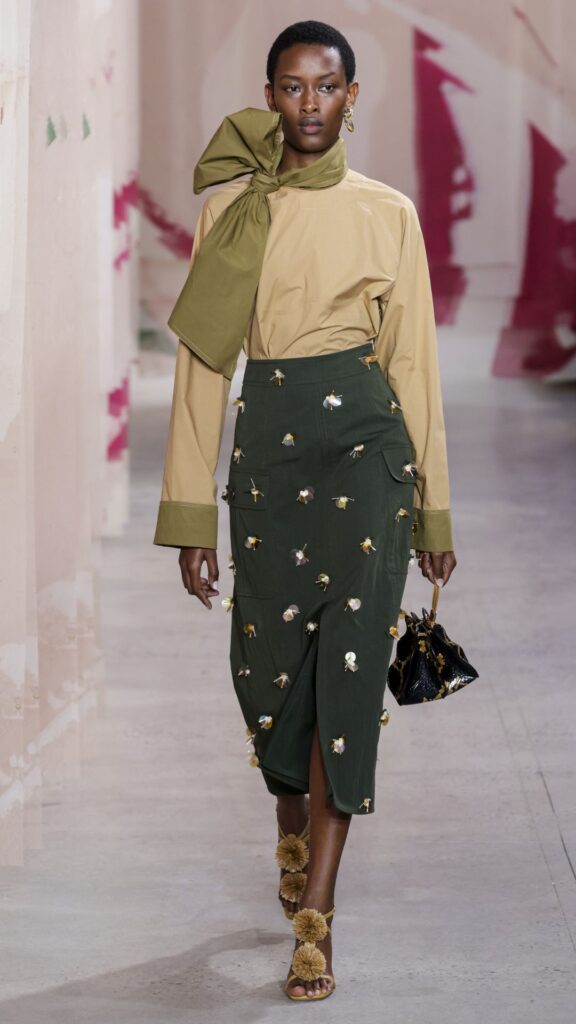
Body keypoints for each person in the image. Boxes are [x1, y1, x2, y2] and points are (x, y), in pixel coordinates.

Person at [153, 19, 457, 1002]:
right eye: (293, 87)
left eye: (328, 86)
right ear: (272, 95)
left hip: (369, 452)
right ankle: (291, 834)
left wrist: (435, 513)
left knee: (348, 680)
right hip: (274, 456)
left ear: (353, 97)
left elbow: (414, 366)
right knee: (269, 677)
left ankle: (317, 919)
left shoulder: (388, 214)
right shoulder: (233, 214)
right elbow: (203, 369)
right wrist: (191, 510)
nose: (311, 104)